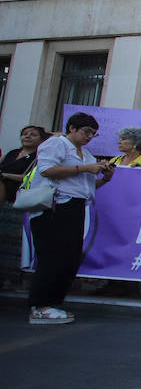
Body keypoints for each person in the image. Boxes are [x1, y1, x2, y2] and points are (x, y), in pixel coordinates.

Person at [26, 112, 115, 324]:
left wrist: (105, 178)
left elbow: (86, 185)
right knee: (52, 257)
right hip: (55, 206)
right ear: (72, 128)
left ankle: (54, 302)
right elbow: (47, 170)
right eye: (86, 132)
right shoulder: (56, 144)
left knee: (70, 257)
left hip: (76, 206)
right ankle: (40, 305)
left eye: (93, 134)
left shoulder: (87, 154)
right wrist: (85, 168)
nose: (89, 137)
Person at [1, 125, 48, 290]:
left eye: (33, 134)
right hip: (4, 202)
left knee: (17, 243)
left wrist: (5, 176)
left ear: (41, 140)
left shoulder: (40, 157)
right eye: (24, 134)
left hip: (22, 202)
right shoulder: (12, 154)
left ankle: (14, 278)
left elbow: (33, 178)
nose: (27, 137)